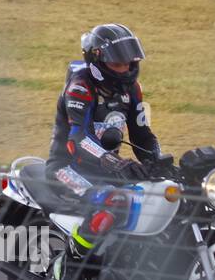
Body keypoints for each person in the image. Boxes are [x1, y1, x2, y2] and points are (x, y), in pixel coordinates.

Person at [45, 24, 164, 253]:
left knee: (154, 195)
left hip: (106, 171)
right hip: (66, 168)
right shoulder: (80, 87)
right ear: (97, 61)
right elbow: (77, 140)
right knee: (112, 201)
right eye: (117, 63)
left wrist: (159, 163)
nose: (125, 68)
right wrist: (115, 162)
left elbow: (142, 135)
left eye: (128, 62)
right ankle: (73, 261)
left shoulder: (132, 90)